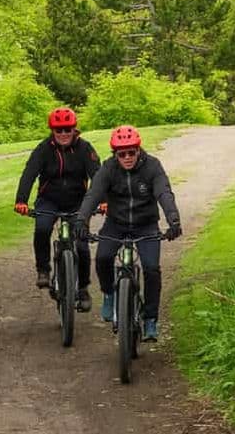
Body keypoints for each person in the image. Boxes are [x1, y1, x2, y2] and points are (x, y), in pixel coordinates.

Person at [74, 125, 182, 341]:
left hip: (146, 225)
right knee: (103, 258)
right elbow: (93, 195)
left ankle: (150, 319)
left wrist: (173, 220)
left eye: (132, 152)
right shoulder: (108, 168)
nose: (127, 157)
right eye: (122, 154)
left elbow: (164, 193)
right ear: (115, 154)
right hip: (116, 224)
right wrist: (81, 220)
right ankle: (109, 293)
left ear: (138, 150)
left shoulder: (152, 166)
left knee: (151, 269)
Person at [14, 107, 103, 312]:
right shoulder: (43, 149)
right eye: (59, 130)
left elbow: (97, 176)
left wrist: (103, 200)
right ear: (52, 131)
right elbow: (29, 173)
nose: (63, 134)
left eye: (67, 129)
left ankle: (82, 288)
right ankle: (43, 270)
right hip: (49, 200)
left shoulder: (84, 148)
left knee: (81, 244)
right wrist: (21, 200)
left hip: (78, 201)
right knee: (43, 228)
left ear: (74, 129)